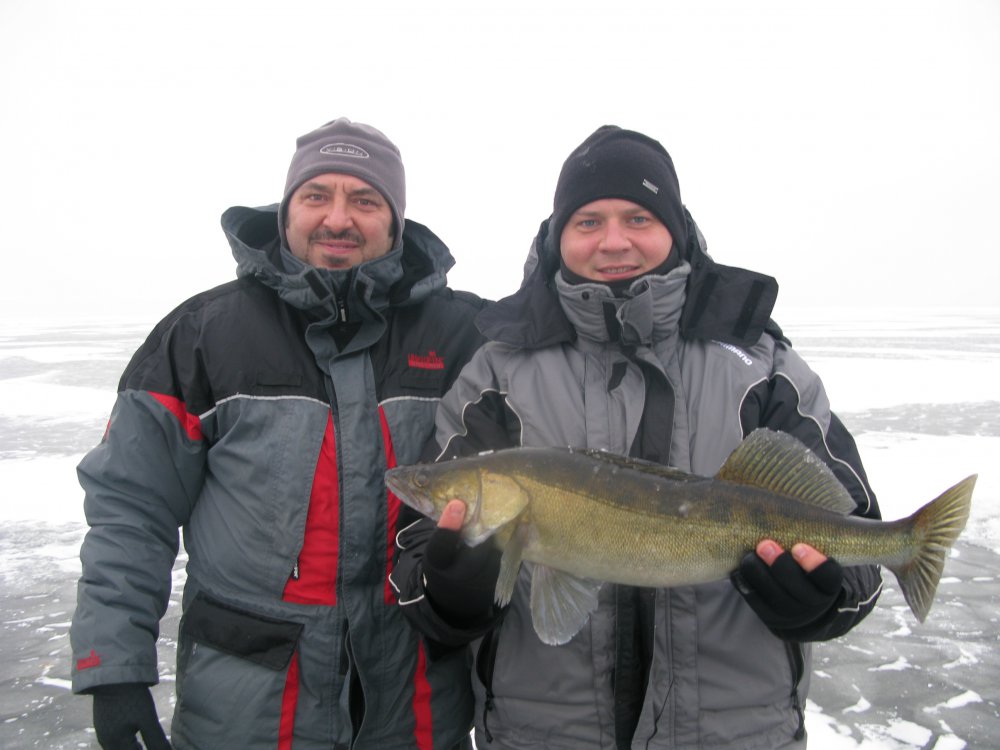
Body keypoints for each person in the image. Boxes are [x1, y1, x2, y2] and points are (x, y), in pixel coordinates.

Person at [392, 125, 884, 749]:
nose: (614, 241)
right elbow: (414, 566)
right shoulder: (495, 375)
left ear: (674, 229)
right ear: (558, 236)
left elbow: (858, 542)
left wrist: (822, 599)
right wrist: (452, 595)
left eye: (638, 218)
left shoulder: (764, 369)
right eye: (588, 221)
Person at [70, 117, 487, 749]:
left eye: (365, 200)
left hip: (417, 708)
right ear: (287, 209)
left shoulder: (465, 338)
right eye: (317, 195)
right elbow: (131, 509)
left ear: (396, 221)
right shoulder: (202, 336)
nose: (338, 219)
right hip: (246, 712)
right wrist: (114, 669)